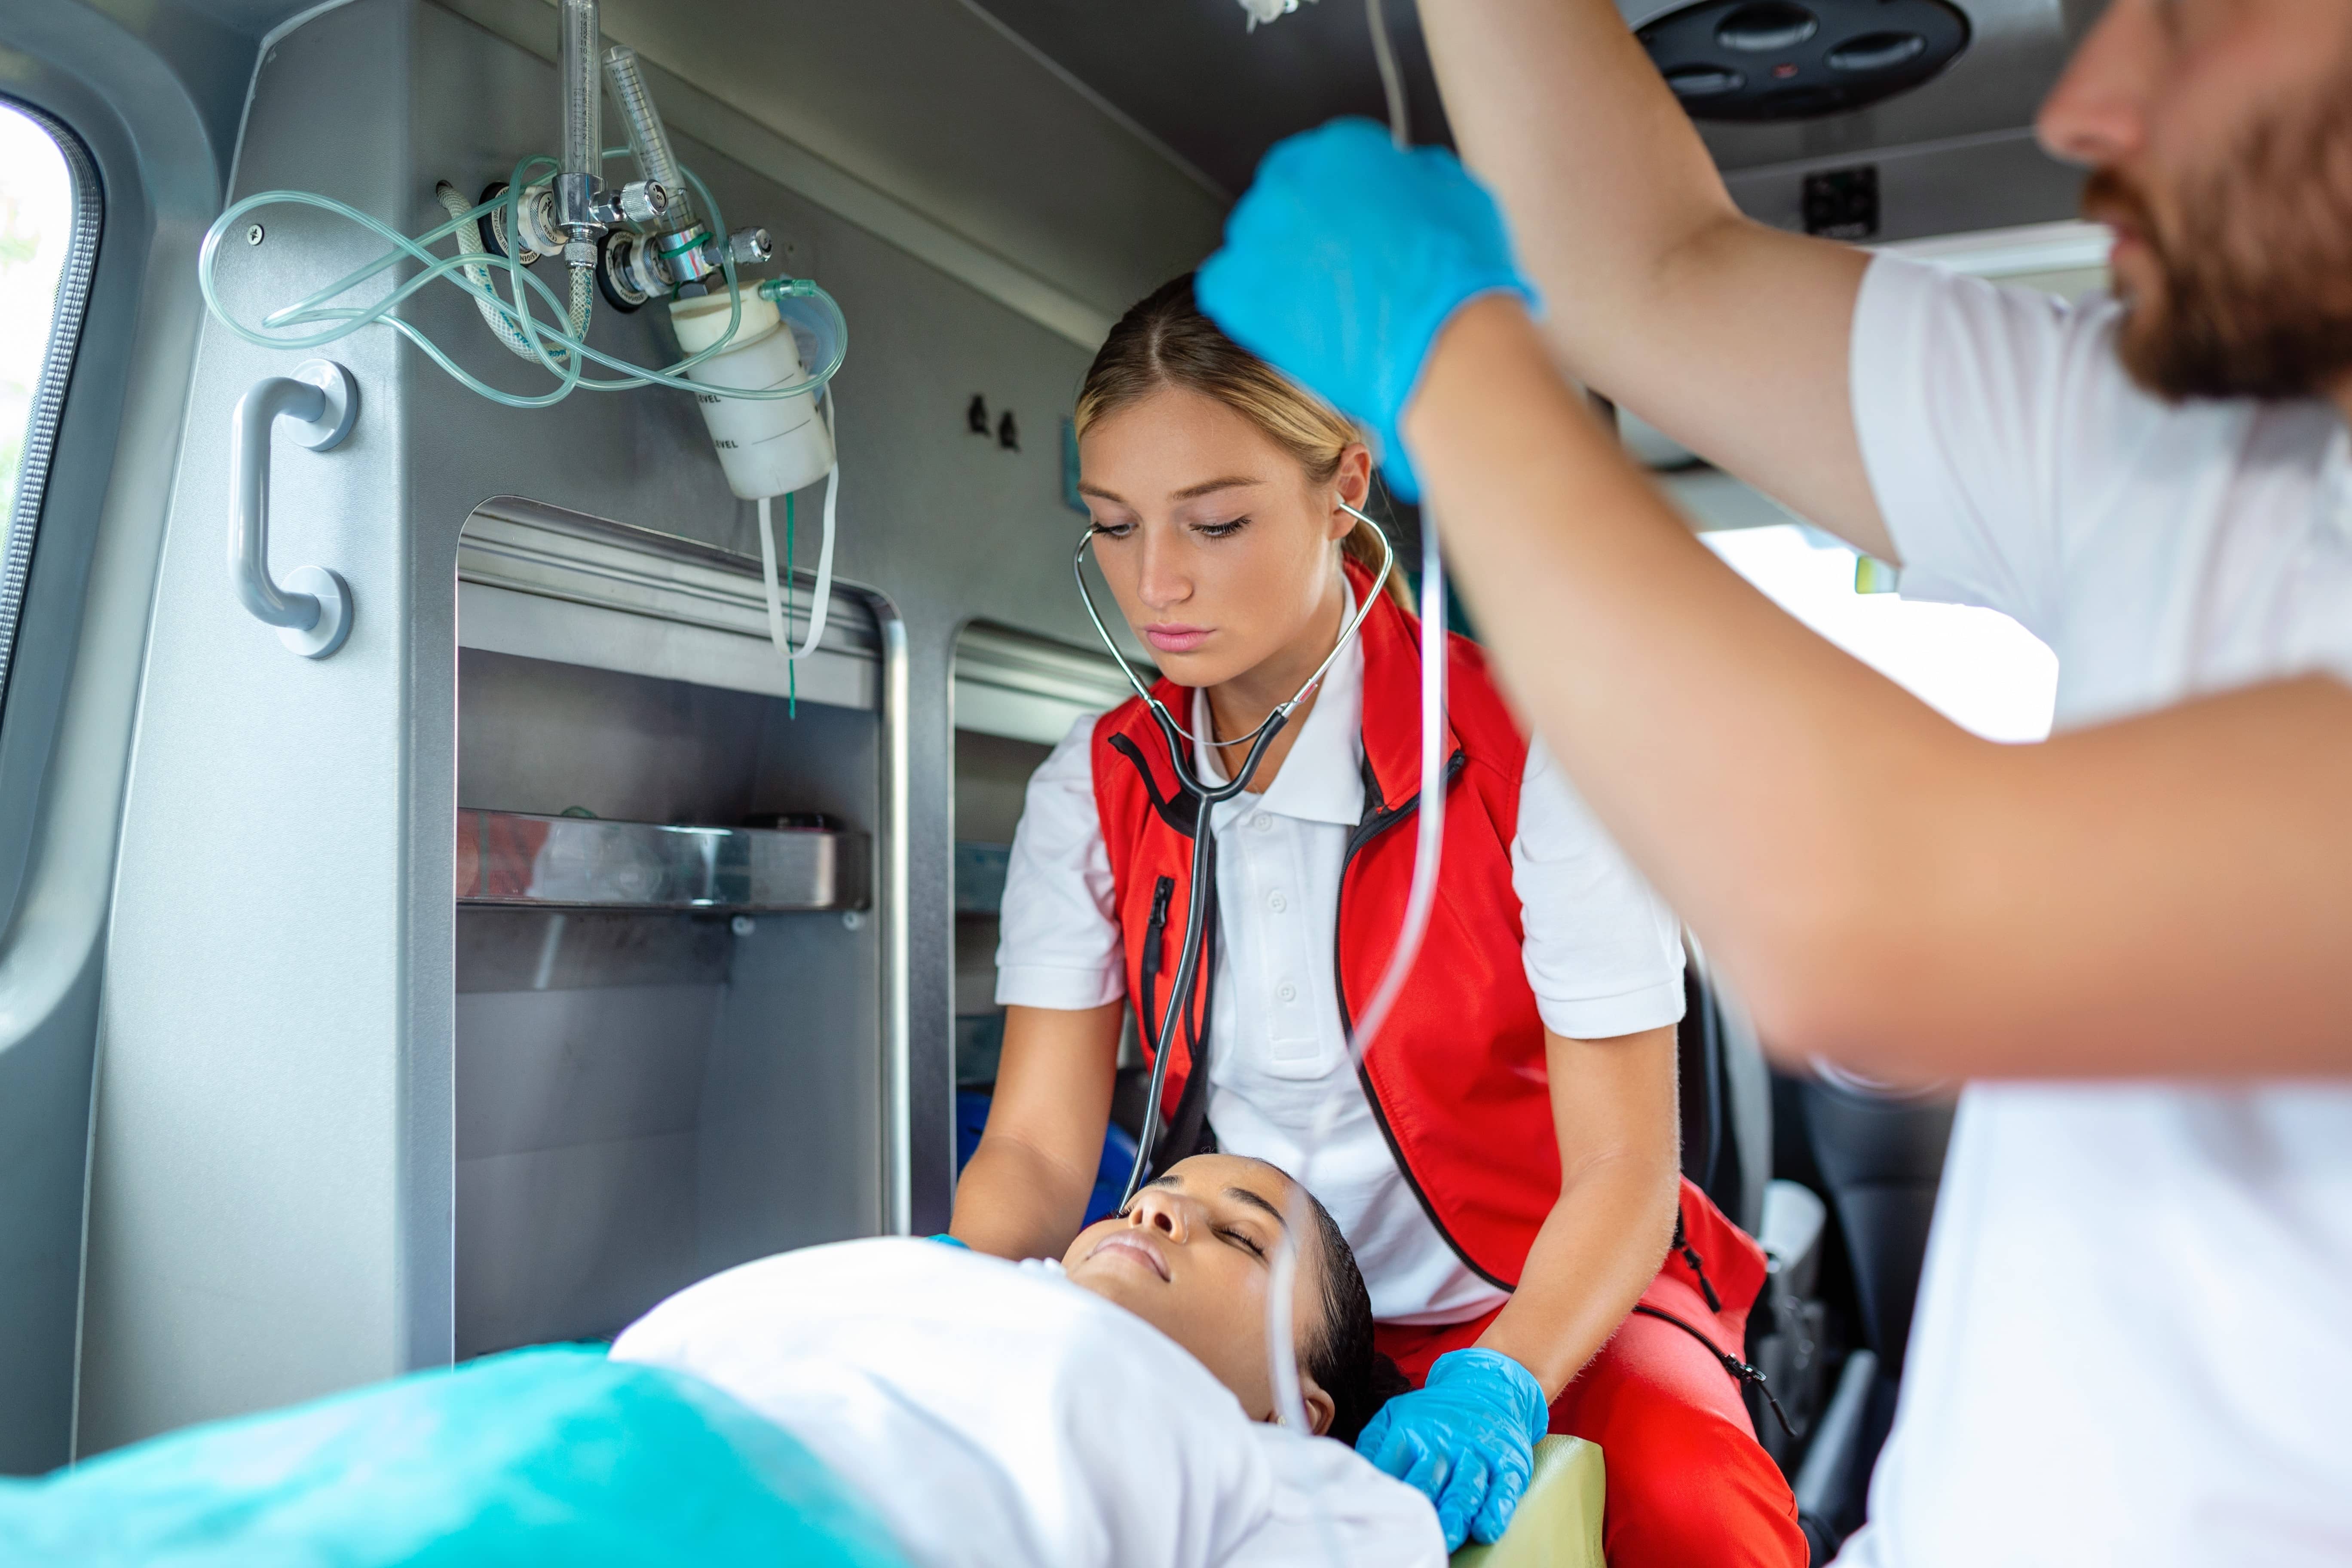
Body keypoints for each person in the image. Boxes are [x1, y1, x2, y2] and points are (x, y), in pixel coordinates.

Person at [1186, 0, 2352, 1562]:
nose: (2087, 104)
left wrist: (1445, 356)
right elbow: (1638, 269)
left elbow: (1877, 928)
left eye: (2192, 20)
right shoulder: (2178, 436)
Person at [947, 277, 1804, 1562]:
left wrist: (1502, 1378)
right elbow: (1033, 1147)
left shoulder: (1540, 752)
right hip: (1270, 1311)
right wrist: (957, 1312)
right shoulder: (1099, 784)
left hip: (1553, 1291)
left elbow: (1628, 1175)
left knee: (1695, 1514)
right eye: (1113, 528)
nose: (1156, 583)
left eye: (1217, 522)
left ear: (1345, 486)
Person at [616, 1155, 1443, 1568]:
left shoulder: (1281, 1478)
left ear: (1295, 1412)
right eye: (1143, 1198)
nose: (1155, 1207)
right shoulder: (933, 1282)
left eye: (1241, 1236)